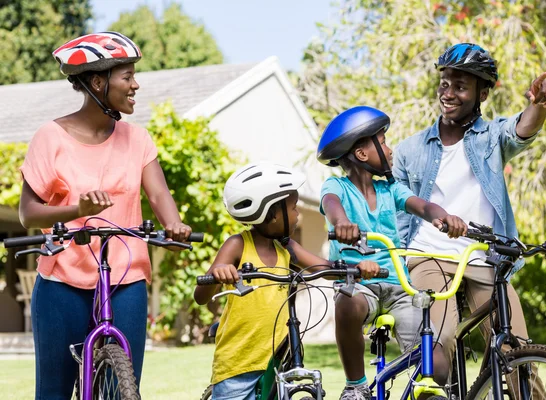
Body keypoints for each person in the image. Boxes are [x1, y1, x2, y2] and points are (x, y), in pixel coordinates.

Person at [18, 32, 192, 399]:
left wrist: (174, 227)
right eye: (126, 76)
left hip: (125, 280)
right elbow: (28, 214)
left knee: (122, 388)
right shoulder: (51, 137)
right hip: (62, 281)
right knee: (53, 390)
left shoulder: (138, 139)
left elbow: (159, 195)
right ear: (98, 81)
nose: (135, 84)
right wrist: (76, 210)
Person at [392, 43, 546, 382]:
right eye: (444, 83)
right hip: (429, 256)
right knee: (441, 342)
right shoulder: (410, 149)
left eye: (460, 86)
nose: (448, 93)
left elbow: (522, 130)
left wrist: (537, 105)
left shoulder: (491, 138)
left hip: (484, 258)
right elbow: (399, 209)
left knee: (518, 352)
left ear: (482, 94)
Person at [316, 105, 468, 400]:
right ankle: (355, 384)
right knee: (347, 303)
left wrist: (442, 217)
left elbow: (422, 206)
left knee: (436, 367)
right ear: (362, 154)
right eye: (382, 142)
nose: (389, 148)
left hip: (399, 287)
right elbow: (331, 204)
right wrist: (343, 223)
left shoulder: (390, 189)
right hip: (359, 283)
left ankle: (420, 389)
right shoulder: (337, 186)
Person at [194, 161, 380, 400]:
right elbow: (201, 296)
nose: (298, 214)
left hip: (277, 358)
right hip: (238, 363)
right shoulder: (238, 245)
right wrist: (220, 271)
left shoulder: (286, 247)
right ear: (271, 214)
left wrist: (357, 269)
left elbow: (322, 267)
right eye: (294, 208)